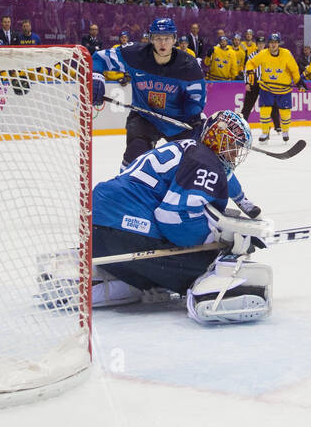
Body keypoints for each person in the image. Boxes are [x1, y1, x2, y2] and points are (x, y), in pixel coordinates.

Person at [82, 110, 270, 324]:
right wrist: (218, 239)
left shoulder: (187, 147)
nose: (235, 155)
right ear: (220, 141)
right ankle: (209, 292)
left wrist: (243, 202)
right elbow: (172, 219)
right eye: (233, 147)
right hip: (127, 233)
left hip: (95, 230)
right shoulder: (205, 162)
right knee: (209, 264)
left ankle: (119, 278)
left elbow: (226, 179)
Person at [90, 17, 206, 169]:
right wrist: (96, 76)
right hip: (145, 117)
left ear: (174, 40)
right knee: (133, 159)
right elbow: (98, 58)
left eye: (167, 38)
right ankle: (124, 189)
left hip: (178, 121)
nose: (162, 43)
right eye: (158, 38)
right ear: (151, 39)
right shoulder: (134, 55)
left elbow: (196, 98)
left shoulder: (189, 66)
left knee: (198, 163)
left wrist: (193, 116)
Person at [246, 33, 302, 142]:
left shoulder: (286, 54)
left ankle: (285, 130)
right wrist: (250, 71)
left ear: (278, 44)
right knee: (265, 111)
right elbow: (251, 63)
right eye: (271, 43)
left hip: (284, 89)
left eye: (275, 43)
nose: (273, 45)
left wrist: (298, 81)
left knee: (285, 112)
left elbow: (294, 69)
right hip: (267, 88)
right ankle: (265, 132)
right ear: (269, 44)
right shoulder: (263, 54)